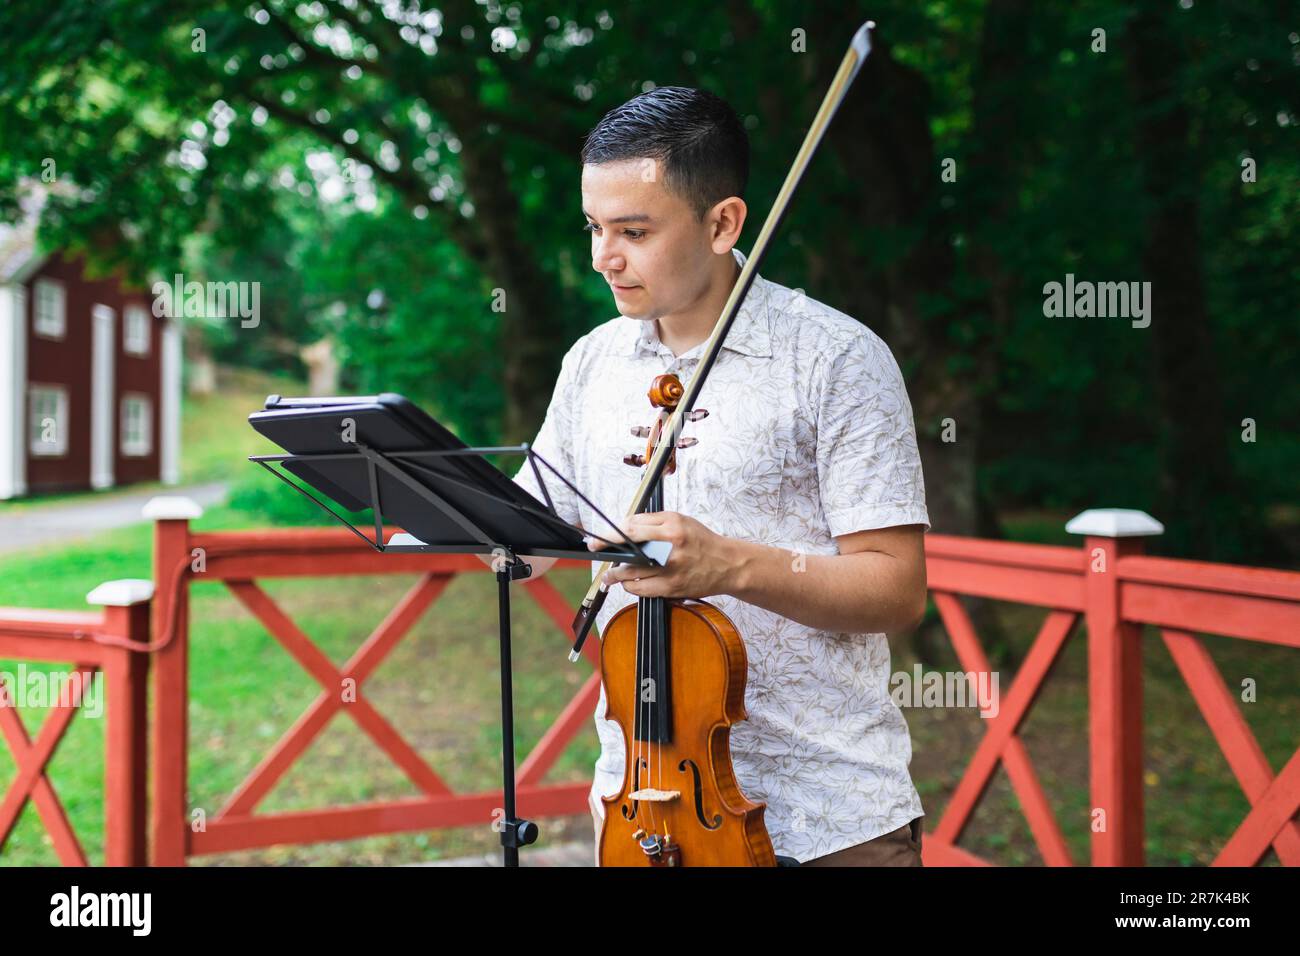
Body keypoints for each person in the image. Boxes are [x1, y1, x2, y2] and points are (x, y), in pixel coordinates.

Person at [510, 86, 930, 867]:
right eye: (595, 228)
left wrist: (731, 565)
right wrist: (426, 497)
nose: (603, 256)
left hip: (828, 818)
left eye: (633, 231)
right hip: (648, 804)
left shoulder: (836, 358)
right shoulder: (593, 363)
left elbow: (897, 589)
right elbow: (530, 542)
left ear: (724, 223)